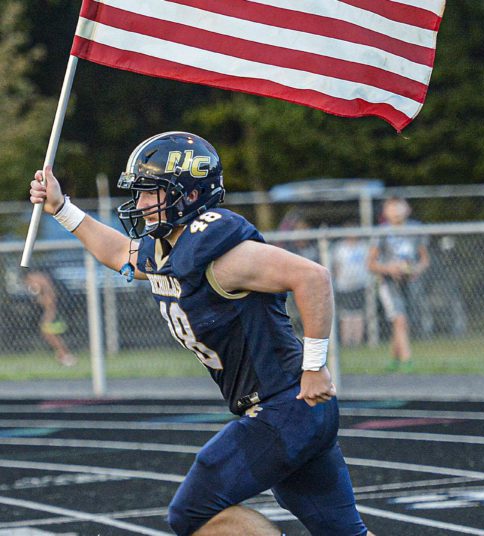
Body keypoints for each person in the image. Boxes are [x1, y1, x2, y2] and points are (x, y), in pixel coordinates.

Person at [30, 131, 372, 536]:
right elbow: (120, 253)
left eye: (151, 192)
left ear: (189, 194)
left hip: (284, 408)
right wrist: (61, 208)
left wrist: (315, 365)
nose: (139, 203)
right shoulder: (171, 248)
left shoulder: (222, 254)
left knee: (192, 513)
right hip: (293, 411)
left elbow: (313, 277)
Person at [367, 197, 430, 372]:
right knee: (400, 320)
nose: (396, 211)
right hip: (388, 283)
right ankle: (407, 360)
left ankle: (394, 360)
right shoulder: (382, 232)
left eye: (399, 206)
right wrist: (388, 268)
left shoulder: (415, 229)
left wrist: (416, 269)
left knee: (401, 322)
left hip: (409, 283)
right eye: (391, 207)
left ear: (407, 209)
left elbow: (424, 260)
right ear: (385, 212)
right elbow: (370, 263)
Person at [23, 270, 77, 367]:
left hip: (53, 310)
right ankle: (63, 355)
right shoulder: (42, 284)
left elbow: (50, 301)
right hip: (52, 309)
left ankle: (66, 355)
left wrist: (48, 312)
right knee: (49, 334)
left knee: (49, 333)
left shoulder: (44, 283)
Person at [331, 229, 370, 347]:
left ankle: (357, 341)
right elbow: (336, 266)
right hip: (344, 285)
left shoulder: (363, 246)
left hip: (360, 285)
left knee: (358, 313)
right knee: (346, 314)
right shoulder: (340, 248)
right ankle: (347, 341)